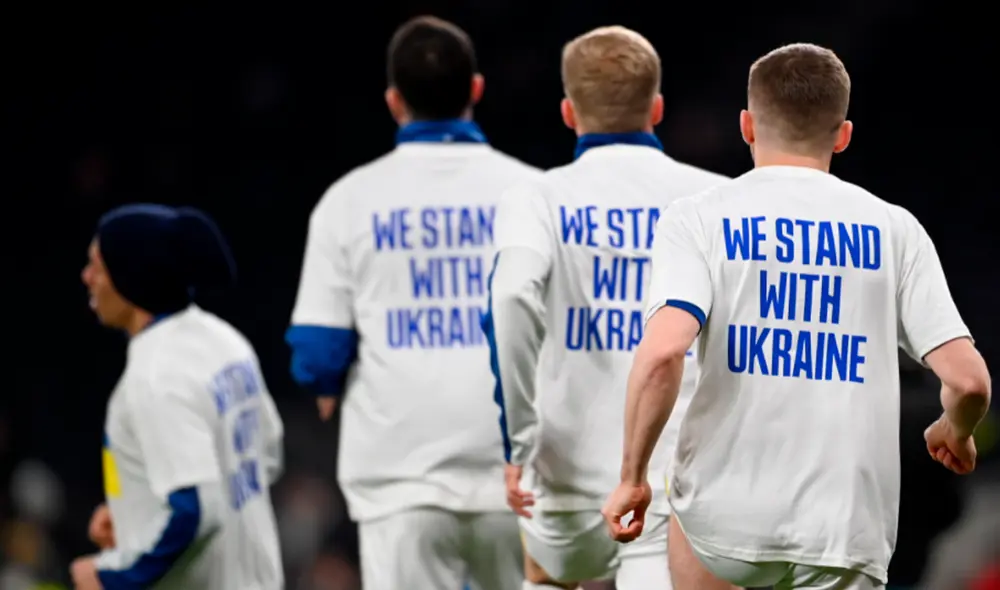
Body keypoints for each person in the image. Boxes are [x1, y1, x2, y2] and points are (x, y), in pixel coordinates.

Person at [602, 42, 992, 590]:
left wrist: (632, 477)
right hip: (842, 532)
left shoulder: (698, 218)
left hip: (723, 522)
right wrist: (957, 429)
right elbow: (969, 380)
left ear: (747, 125)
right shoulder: (895, 229)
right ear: (842, 134)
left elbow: (664, 351)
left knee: (693, 529)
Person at [285, 15, 542, 590]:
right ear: (476, 89)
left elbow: (317, 353)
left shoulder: (348, 201)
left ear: (393, 100)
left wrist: (327, 385)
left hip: (400, 475)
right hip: (520, 474)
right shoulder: (535, 193)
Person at [486, 26, 726, 590]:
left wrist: (518, 440)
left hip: (565, 480)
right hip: (676, 484)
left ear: (569, 112)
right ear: (658, 108)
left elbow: (512, 295)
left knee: (544, 575)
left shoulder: (535, 198)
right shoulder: (718, 199)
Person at [73, 204, 285, 590]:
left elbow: (197, 509)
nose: (86, 277)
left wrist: (112, 575)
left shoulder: (156, 377)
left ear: (129, 279)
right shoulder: (224, 340)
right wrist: (136, 515)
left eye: (98, 267)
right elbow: (265, 453)